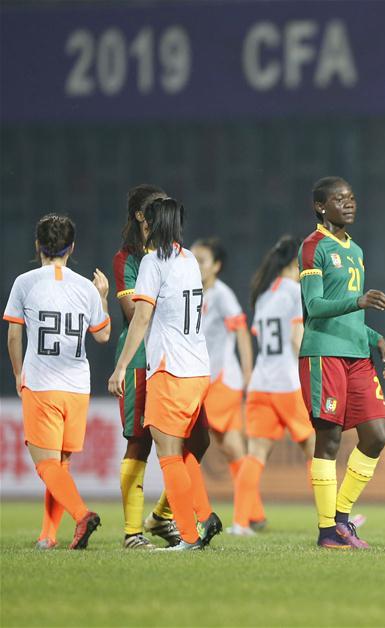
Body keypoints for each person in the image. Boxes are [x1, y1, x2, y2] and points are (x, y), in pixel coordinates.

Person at [109, 197, 221, 551]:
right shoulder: (188, 260)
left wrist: (122, 366)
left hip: (169, 370)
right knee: (184, 450)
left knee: (169, 454)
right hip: (198, 370)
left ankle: (189, 534)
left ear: (150, 225)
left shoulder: (153, 263)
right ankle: (205, 513)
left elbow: (141, 318)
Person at [299, 177, 385, 549]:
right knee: (330, 439)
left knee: (376, 435)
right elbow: (315, 307)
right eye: (340, 199)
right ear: (321, 207)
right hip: (324, 353)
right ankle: (328, 532)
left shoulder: (355, 249)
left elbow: (351, 313)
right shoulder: (313, 247)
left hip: (357, 354)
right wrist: (358, 302)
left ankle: (340, 518)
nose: (349, 204)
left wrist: (375, 337)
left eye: (352, 198)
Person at [4, 214, 109, 550]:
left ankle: (81, 514)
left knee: (46, 464)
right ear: (72, 248)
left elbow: (13, 334)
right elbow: (104, 335)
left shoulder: (25, 282)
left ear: (38, 246)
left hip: (43, 382)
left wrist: (19, 373)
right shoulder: (85, 287)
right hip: (77, 387)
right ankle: (48, 536)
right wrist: (103, 296)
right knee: (60, 464)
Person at [113, 184, 188, 549]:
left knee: (192, 442)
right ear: (142, 215)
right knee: (139, 442)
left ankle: (161, 516)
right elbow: (133, 314)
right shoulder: (128, 258)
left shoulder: (175, 254)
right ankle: (132, 533)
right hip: (140, 358)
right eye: (156, 206)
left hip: (175, 359)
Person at [230, 235, 315, 536]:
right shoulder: (296, 291)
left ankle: (240, 523)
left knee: (255, 456)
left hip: (260, 384)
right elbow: (296, 338)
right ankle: (333, 520)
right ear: (297, 262)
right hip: (287, 383)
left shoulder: (265, 295)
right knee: (317, 451)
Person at [193, 237, 254, 528]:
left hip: (222, 381)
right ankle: (251, 515)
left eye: (201, 260)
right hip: (208, 380)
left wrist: (248, 372)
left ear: (216, 266)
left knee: (186, 446)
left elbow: (241, 331)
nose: (195, 265)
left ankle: (184, 514)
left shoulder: (221, 294)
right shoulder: (192, 292)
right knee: (233, 450)